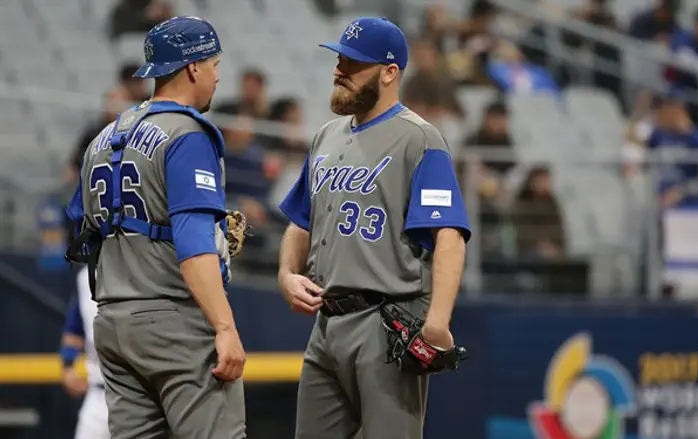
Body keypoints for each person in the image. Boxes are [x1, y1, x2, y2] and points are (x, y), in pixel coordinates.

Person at [277, 17, 471, 439]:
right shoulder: (325, 137)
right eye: (339, 59)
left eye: (353, 62)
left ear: (389, 72)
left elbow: (450, 237)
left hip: (388, 321)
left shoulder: (420, 140)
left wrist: (437, 322)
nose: (338, 70)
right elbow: (300, 222)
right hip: (326, 324)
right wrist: (286, 273)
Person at [64, 16, 247, 439]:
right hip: (172, 321)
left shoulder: (104, 137)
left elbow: (87, 230)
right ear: (193, 67)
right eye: (214, 64)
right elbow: (192, 242)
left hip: (113, 324)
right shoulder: (187, 133)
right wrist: (224, 327)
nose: (218, 76)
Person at [61, 267, 109, 439]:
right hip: (98, 394)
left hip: (140, 396)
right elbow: (74, 330)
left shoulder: (142, 268)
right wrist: (67, 366)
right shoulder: (85, 278)